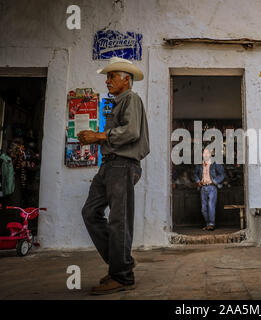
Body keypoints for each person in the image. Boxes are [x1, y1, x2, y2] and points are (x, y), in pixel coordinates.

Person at [78, 57, 149, 295]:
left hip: (123, 166)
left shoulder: (131, 98)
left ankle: (122, 276)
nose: (107, 81)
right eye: (107, 77)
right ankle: (122, 265)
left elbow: (131, 132)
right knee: (90, 212)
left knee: (119, 220)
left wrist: (98, 136)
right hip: (109, 165)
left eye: (112, 76)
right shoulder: (118, 102)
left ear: (125, 79)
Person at [194, 148, 225, 231]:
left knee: (211, 205)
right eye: (204, 153)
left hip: (212, 187)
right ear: (202, 154)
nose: (206, 154)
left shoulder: (215, 163)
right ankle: (208, 224)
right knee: (203, 208)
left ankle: (211, 224)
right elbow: (195, 174)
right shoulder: (200, 164)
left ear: (211, 155)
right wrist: (198, 181)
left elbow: (222, 174)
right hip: (203, 187)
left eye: (207, 153)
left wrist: (214, 181)